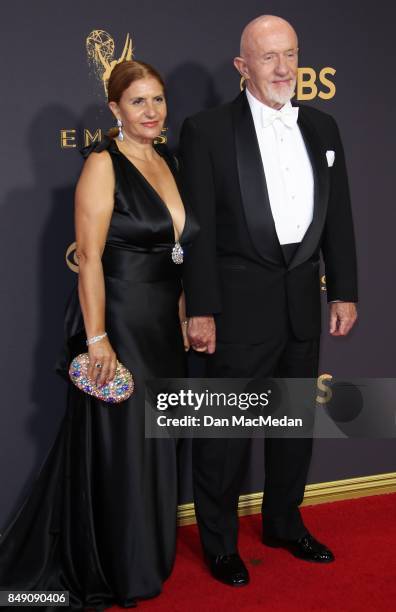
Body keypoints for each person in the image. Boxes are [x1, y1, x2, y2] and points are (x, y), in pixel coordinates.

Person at [0, 60, 198, 609]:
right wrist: (97, 339)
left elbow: (177, 253)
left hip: (164, 323)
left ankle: (147, 554)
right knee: (124, 448)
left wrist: (182, 313)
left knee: (158, 443)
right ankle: (117, 565)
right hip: (120, 321)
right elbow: (88, 257)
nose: (152, 111)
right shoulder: (102, 163)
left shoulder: (170, 159)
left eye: (158, 99)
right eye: (138, 102)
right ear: (113, 109)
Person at [180, 15, 358, 586]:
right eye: (268, 57)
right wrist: (200, 307)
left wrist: (346, 289)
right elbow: (197, 231)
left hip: (302, 302)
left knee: (293, 426)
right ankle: (220, 543)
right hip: (235, 309)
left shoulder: (324, 128)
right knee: (224, 432)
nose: (283, 69)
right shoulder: (206, 130)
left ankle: (283, 522)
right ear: (242, 66)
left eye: (290, 55)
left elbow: (340, 218)